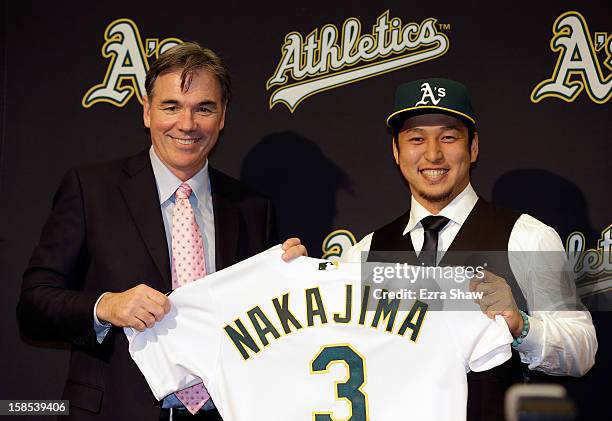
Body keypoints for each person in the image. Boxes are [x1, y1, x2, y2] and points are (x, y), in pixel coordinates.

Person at [17, 42, 306, 421]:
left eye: (204, 108)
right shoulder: (91, 189)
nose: (187, 124)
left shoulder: (253, 209)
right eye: (171, 106)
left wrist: (293, 284)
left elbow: (269, 328)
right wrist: (106, 306)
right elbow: (34, 306)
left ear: (222, 117)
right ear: (147, 111)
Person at [344, 78, 597, 420]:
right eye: (416, 138)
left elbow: (581, 350)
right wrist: (298, 279)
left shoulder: (528, 238)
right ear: (396, 151)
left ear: (473, 147)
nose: (433, 154)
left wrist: (519, 325)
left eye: (448, 137)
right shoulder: (362, 254)